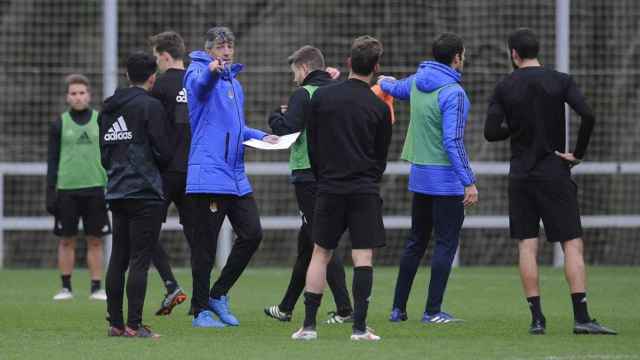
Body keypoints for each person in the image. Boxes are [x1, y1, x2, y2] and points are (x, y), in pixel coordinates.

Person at [484, 28, 616, 335]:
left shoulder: (504, 85)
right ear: (536, 50)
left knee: (527, 246)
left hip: (521, 175)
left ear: (513, 54)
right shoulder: (560, 80)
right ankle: (581, 317)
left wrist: (515, 128)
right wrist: (577, 153)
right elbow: (589, 114)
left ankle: (537, 319)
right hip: (554, 171)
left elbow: (491, 133)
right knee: (572, 243)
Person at [291, 35, 392, 341]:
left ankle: (308, 326)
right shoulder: (378, 106)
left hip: (329, 187)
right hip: (363, 188)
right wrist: (368, 177)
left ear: (348, 62)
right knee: (363, 257)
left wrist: (324, 176)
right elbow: (381, 156)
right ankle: (359, 328)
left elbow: (314, 145)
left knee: (320, 253)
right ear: (376, 67)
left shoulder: (322, 97)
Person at [378, 33, 478, 324]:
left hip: (420, 177)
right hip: (446, 181)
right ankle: (433, 311)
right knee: (446, 243)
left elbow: (395, 88)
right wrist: (468, 180)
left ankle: (398, 309)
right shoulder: (453, 93)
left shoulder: (419, 81)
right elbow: (453, 141)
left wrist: (382, 81)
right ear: (457, 56)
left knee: (415, 242)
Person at [184, 26, 278, 328]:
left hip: (235, 176)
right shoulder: (198, 72)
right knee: (205, 247)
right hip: (209, 173)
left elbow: (235, 129)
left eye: (229, 46)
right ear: (210, 49)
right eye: (221, 47)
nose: (226, 51)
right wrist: (211, 72)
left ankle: (218, 293)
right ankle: (200, 311)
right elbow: (200, 88)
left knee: (253, 234)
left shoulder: (235, 84)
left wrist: (263, 136)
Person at [265, 45, 353, 324]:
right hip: (333, 173)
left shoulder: (304, 93)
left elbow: (286, 129)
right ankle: (286, 307)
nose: (294, 79)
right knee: (308, 244)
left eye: (295, 72)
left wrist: (275, 116)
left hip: (307, 176)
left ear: (304, 68)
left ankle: (345, 309)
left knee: (322, 242)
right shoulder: (337, 91)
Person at [101, 52, 172, 338]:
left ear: (127, 75)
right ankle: (134, 324)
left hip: (117, 190)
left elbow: (104, 154)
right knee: (139, 259)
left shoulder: (108, 108)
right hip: (145, 191)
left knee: (118, 256)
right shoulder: (151, 107)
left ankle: (116, 324)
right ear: (152, 77)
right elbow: (164, 152)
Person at [46, 74, 110, 301]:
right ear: (67, 97)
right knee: (66, 240)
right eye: (73, 93)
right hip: (67, 190)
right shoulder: (59, 123)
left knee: (95, 240)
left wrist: (109, 185)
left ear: (89, 95)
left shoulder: (100, 120)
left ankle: (96, 288)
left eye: (82, 93)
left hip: (95, 188)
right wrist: (50, 191)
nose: (78, 97)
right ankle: (66, 288)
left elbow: (109, 155)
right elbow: (52, 160)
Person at [147, 30, 191, 316]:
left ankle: (171, 285)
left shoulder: (160, 86)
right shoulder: (198, 81)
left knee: (146, 231)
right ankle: (203, 299)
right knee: (199, 234)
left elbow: (154, 128)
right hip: (195, 169)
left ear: (164, 56)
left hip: (164, 171)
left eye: (156, 58)